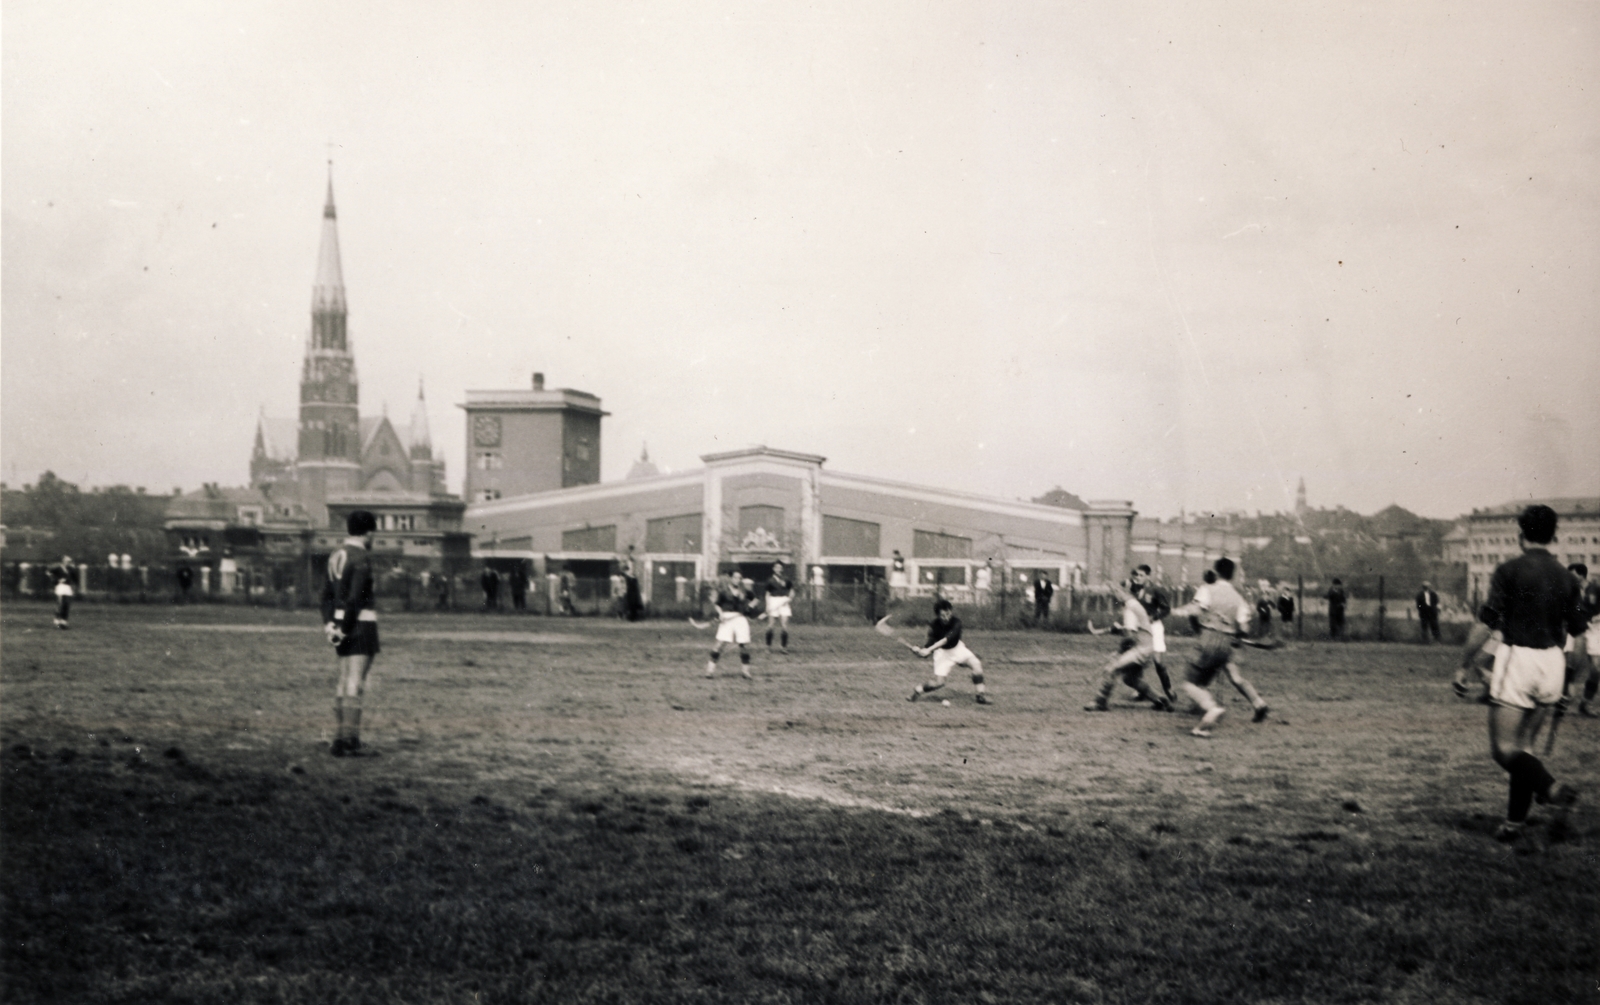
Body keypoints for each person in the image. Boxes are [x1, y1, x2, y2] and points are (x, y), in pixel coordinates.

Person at [1475, 504, 1584, 843]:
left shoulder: (1509, 570)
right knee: (1525, 749)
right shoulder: (1568, 577)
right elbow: (1578, 637)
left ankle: (1551, 789)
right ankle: (1514, 823)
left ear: (1520, 535)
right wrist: (1570, 682)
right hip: (1554, 661)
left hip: (1519, 657)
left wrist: (1465, 664)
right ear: (1553, 537)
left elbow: (1486, 623)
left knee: (1505, 750)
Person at [1170, 558, 1270, 737]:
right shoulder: (1239, 599)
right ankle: (1258, 703)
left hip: (1208, 638)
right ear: (1232, 575)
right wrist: (1237, 636)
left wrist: (1176, 611)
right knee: (1234, 676)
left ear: (1215, 573)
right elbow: (1244, 629)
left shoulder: (1207, 589)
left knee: (1190, 682)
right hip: (1227, 643)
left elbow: (1195, 610)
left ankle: (1211, 708)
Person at [322, 510, 380, 757]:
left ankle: (339, 737)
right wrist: (346, 628)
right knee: (356, 682)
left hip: (337, 622)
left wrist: (331, 626)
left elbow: (325, 595)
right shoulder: (361, 557)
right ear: (368, 532)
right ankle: (350, 741)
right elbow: (356, 598)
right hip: (360, 624)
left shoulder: (336, 554)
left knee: (344, 680)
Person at [1084, 581, 1173, 712]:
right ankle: (1160, 700)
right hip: (1147, 648)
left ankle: (1100, 702)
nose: (1115, 597)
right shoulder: (1135, 605)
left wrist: (1120, 653)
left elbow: (1129, 637)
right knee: (1131, 679)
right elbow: (1131, 630)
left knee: (1112, 670)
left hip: (1141, 649)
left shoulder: (1129, 608)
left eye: (1115, 592)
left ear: (1122, 593)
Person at [908, 598, 991, 704]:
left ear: (951, 611)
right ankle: (918, 690)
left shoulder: (957, 622)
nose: (946, 617)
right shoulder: (934, 625)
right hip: (942, 654)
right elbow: (930, 643)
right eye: (943, 615)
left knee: (976, 665)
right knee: (939, 683)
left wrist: (928, 649)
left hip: (958, 649)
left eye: (948, 614)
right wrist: (920, 651)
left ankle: (980, 696)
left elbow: (946, 639)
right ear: (938, 615)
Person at [1131, 564, 1176, 701]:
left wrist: (1154, 617)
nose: (1138, 578)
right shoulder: (1135, 590)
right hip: (1142, 628)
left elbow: (1166, 609)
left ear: (1148, 576)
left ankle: (1169, 690)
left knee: (1158, 662)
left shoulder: (1155, 590)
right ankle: (1141, 692)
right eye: (1136, 575)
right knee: (1138, 660)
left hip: (1154, 627)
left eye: (1141, 575)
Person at [706, 572, 758, 679]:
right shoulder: (724, 591)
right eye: (735, 577)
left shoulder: (744, 591)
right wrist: (721, 614)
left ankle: (745, 671)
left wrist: (749, 607)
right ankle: (710, 670)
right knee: (720, 644)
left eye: (739, 578)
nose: (737, 580)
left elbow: (756, 599)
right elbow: (717, 604)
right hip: (727, 618)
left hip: (740, 618)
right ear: (731, 579)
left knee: (744, 645)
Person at [1564, 563, 1598, 717]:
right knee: (1570, 664)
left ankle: (1586, 702)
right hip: (1575, 630)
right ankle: (1565, 700)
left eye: (1572, 575)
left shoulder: (1595, 589)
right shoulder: (1570, 591)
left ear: (1581, 575)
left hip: (1594, 630)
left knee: (1596, 669)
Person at [763, 561, 794, 652]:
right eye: (776, 567)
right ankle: (768, 647)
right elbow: (767, 594)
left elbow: (792, 591)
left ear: (782, 569)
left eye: (780, 567)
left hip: (784, 601)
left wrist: (789, 599)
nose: (778, 569)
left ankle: (783, 647)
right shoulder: (770, 580)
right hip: (773, 601)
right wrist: (768, 605)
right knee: (770, 626)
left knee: (784, 626)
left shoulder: (786, 579)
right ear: (773, 569)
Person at [49, 555, 77, 629]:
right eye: (67, 561)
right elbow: (49, 573)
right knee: (60, 603)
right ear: (63, 560)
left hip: (67, 587)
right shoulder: (58, 568)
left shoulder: (71, 569)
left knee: (66, 604)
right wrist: (57, 580)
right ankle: (57, 620)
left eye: (69, 561)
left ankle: (64, 622)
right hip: (60, 586)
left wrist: (74, 585)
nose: (68, 562)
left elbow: (75, 578)